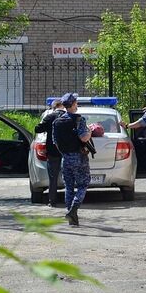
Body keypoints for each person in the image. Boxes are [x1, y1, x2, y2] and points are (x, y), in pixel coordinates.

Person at [52, 93, 91, 226]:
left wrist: (65, 153)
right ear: (73, 104)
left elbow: (55, 142)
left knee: (69, 187)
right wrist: (90, 131)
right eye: (76, 102)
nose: (77, 104)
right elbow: (83, 138)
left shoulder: (57, 121)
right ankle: (73, 209)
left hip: (65, 158)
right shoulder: (79, 120)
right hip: (79, 157)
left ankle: (71, 216)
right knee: (83, 184)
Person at [34, 99, 66, 207]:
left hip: (53, 152)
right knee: (71, 176)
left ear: (53, 107)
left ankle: (53, 201)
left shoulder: (50, 117)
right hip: (68, 152)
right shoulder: (69, 117)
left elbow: (37, 129)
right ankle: (71, 199)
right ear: (63, 106)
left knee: (53, 178)